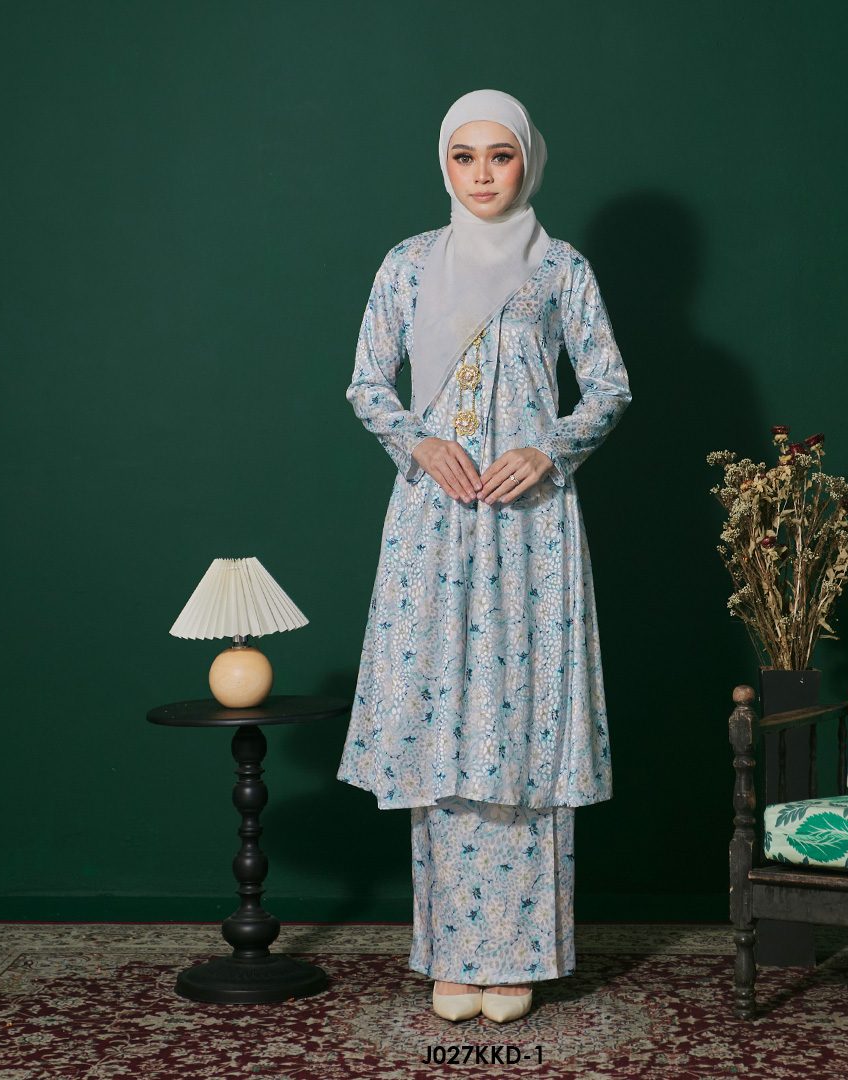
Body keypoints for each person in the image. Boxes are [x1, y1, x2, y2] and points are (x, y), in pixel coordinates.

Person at [337, 88, 631, 1024]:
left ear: (527, 161)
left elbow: (609, 386)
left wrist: (549, 450)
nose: (482, 175)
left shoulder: (560, 268)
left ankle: (519, 957)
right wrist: (418, 443)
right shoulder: (408, 264)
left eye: (499, 156)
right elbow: (366, 382)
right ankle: (450, 955)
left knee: (523, 723)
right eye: (463, 157)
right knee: (443, 721)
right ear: (444, 165)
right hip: (434, 520)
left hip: (530, 524)